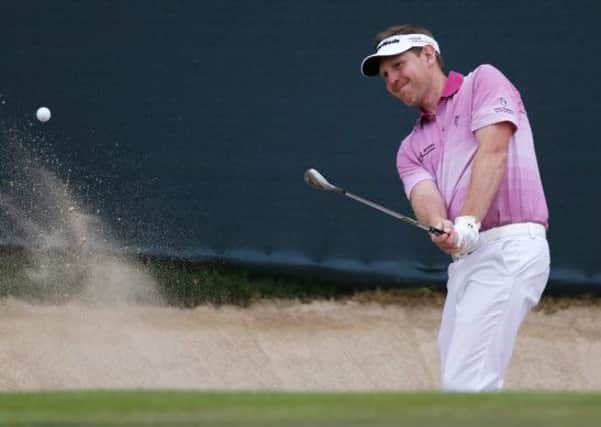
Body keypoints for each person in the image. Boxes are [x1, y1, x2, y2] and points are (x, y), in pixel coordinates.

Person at [360, 24, 550, 391]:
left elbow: (493, 151)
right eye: (385, 75)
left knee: (467, 384)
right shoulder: (410, 148)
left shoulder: (483, 82)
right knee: (459, 381)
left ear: (428, 55)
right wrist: (440, 226)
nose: (392, 80)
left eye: (399, 66)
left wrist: (467, 222)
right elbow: (424, 197)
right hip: (466, 263)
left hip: (510, 248)